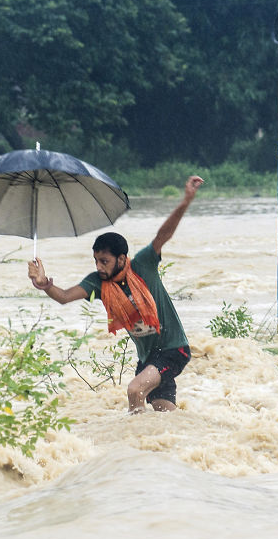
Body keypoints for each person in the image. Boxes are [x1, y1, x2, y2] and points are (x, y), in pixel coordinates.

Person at [27, 175, 204, 414]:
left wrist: (185, 202)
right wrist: (43, 283)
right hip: (148, 358)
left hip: (174, 349)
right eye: (96, 261)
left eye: (105, 261)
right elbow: (65, 296)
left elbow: (163, 235)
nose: (99, 267)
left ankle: (133, 442)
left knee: (135, 390)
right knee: (165, 416)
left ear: (122, 259)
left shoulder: (143, 264)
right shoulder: (98, 283)